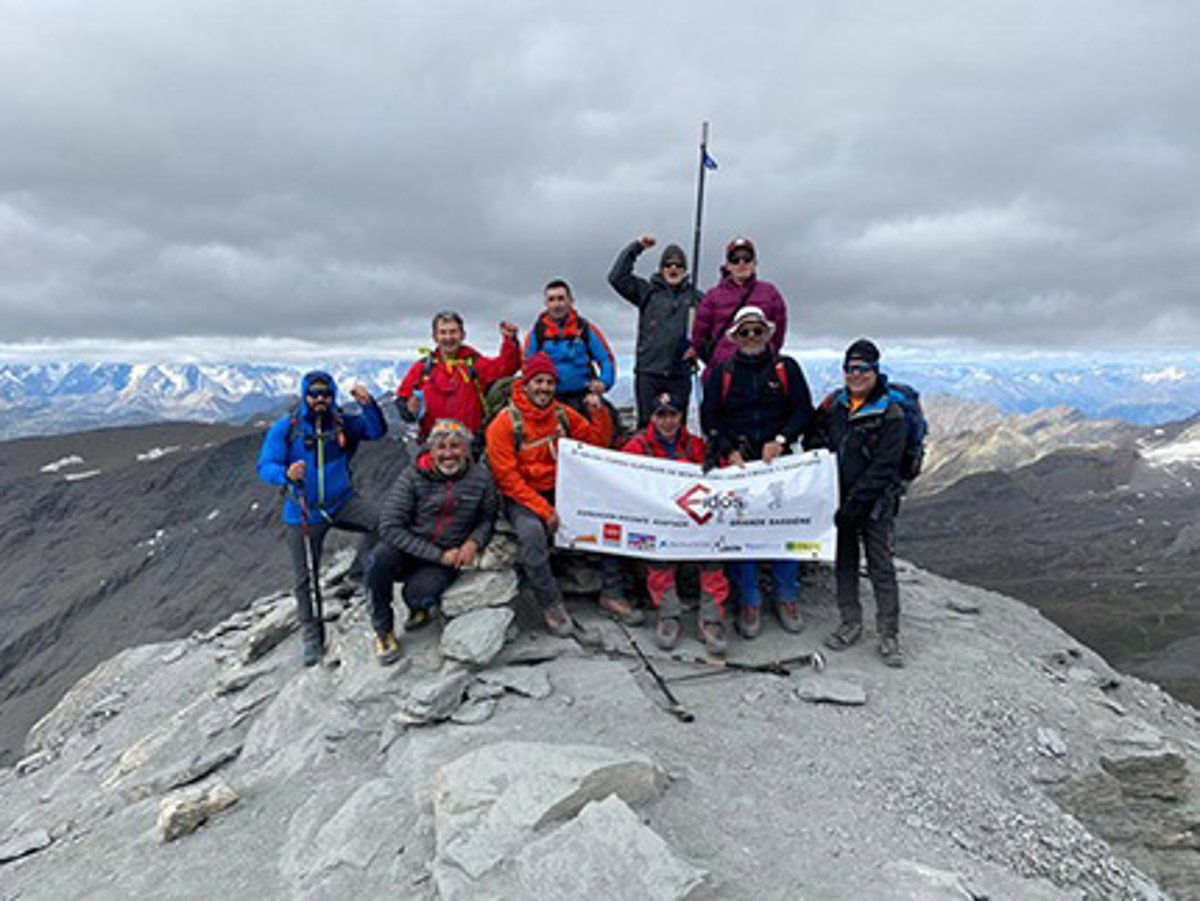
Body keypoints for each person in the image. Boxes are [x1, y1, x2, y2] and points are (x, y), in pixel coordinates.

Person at [256, 371, 387, 666]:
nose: (320, 399)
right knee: (306, 577)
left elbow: (376, 431)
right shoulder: (287, 428)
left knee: (384, 523)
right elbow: (265, 466)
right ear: (305, 395)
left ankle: (358, 574)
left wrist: (368, 405)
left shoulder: (342, 423)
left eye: (325, 394)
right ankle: (312, 636)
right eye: (314, 394)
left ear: (332, 395)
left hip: (343, 501)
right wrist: (286, 474)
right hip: (304, 510)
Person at [700, 306, 813, 639]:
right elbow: (710, 419)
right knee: (741, 532)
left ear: (768, 334)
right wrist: (728, 450)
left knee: (786, 527)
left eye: (757, 331)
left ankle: (786, 596)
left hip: (778, 462)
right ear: (735, 337)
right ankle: (749, 599)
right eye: (745, 332)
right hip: (740, 465)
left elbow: (803, 410)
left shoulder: (785, 368)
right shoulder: (722, 373)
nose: (752, 337)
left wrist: (782, 440)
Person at [485, 352, 616, 636]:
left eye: (549, 382)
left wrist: (598, 413)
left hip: (560, 489)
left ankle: (614, 591)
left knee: (606, 515)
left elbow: (597, 442)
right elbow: (507, 479)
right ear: (526, 383)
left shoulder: (562, 414)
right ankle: (551, 602)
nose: (544, 388)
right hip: (522, 497)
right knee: (532, 534)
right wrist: (544, 510)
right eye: (538, 381)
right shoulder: (504, 424)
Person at [363, 419, 498, 665]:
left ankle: (418, 606)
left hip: (447, 552)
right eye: (441, 447)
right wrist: (438, 555)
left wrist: (473, 542)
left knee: (421, 594)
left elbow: (487, 518)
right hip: (411, 550)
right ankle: (383, 629)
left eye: (455, 446)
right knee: (378, 560)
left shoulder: (481, 478)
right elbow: (390, 526)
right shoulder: (413, 475)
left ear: (466, 449)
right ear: (431, 450)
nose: (448, 454)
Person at [806, 339, 906, 667]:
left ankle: (888, 633)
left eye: (863, 368)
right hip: (839, 500)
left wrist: (855, 504)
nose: (856, 374)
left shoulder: (891, 413)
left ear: (875, 370)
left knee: (880, 565)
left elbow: (885, 466)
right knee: (845, 564)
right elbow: (813, 436)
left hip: (874, 504)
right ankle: (850, 623)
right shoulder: (834, 405)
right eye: (850, 368)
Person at [623, 391, 730, 653]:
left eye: (673, 414)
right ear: (652, 417)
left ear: (682, 416)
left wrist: (719, 459)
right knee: (657, 555)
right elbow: (620, 478)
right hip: (657, 521)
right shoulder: (638, 446)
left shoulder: (695, 445)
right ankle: (668, 613)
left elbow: (722, 477)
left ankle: (711, 618)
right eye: (661, 415)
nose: (667, 421)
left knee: (713, 553)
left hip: (694, 521)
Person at [607, 236, 700, 427]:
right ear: (661, 269)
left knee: (676, 428)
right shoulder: (647, 292)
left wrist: (700, 347)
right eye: (668, 265)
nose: (673, 268)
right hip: (649, 373)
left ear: (685, 270)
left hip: (679, 374)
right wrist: (636, 247)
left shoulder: (697, 298)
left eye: (678, 265)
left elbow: (713, 329)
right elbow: (616, 278)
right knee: (647, 427)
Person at [396, 310, 521, 440]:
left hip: (470, 445)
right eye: (443, 332)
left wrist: (510, 341)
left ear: (462, 335)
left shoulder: (475, 364)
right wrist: (408, 409)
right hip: (433, 445)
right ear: (435, 337)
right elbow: (403, 400)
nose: (448, 337)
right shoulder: (422, 369)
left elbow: (506, 368)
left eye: (453, 332)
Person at [691, 237, 788, 375]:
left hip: (761, 372)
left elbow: (777, 334)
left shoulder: (770, 293)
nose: (741, 263)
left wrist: (765, 355)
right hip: (724, 372)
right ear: (728, 266)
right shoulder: (712, 297)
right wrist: (715, 361)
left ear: (755, 263)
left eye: (746, 258)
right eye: (735, 259)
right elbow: (699, 338)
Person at [524, 279, 617, 417]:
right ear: (546, 303)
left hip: (584, 397)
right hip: (550, 398)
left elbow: (606, 359)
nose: (556, 305)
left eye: (561, 299)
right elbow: (527, 366)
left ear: (571, 301)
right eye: (551, 300)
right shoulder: (537, 334)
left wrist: (604, 383)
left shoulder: (585, 329)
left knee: (607, 421)